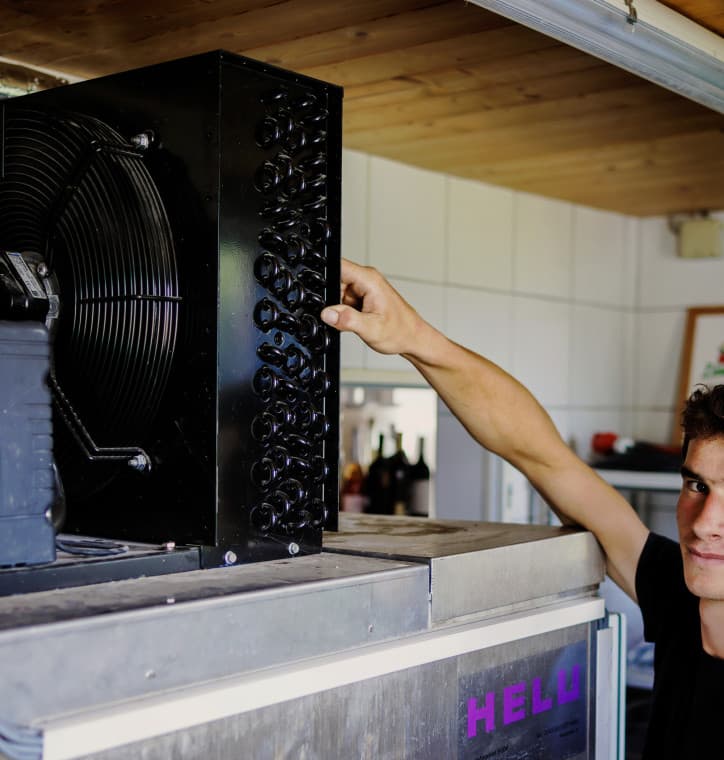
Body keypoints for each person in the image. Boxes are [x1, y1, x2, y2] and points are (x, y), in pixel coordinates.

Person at [320, 258, 724, 759]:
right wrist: (413, 337)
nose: (706, 524)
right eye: (698, 485)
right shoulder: (680, 593)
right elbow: (541, 454)